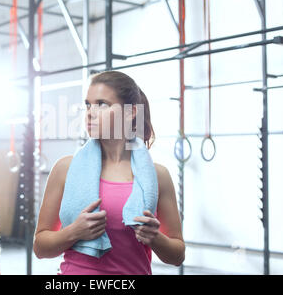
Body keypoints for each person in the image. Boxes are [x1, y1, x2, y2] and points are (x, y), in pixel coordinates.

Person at [33, 71, 185, 275]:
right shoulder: (65, 169)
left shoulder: (158, 176)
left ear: (131, 112)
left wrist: (155, 237)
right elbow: (40, 247)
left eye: (102, 104)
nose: (90, 112)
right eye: (88, 104)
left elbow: (177, 256)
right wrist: (73, 232)